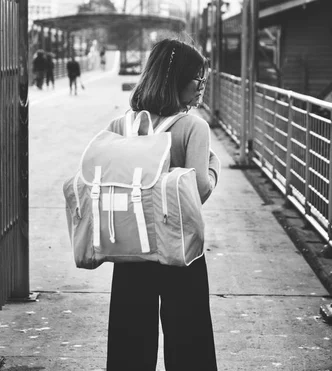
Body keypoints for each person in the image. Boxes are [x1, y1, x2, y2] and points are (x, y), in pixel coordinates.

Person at [104, 38, 220, 371]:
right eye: (198, 79)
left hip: (131, 245)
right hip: (179, 249)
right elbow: (199, 191)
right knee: (189, 339)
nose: (201, 87)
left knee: (129, 340)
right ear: (179, 79)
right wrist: (213, 168)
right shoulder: (192, 127)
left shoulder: (120, 126)